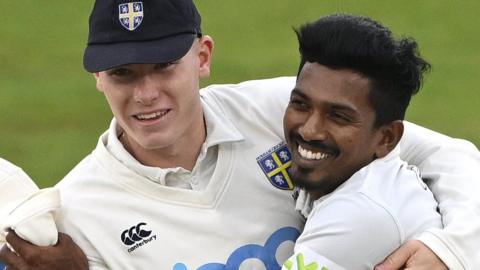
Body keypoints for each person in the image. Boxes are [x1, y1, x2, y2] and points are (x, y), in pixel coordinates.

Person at [0, 0, 479, 269]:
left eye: (165, 66)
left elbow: (452, 156)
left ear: (203, 57)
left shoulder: (289, 111)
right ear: (98, 78)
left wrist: (455, 247)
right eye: (123, 73)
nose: (146, 93)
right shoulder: (77, 217)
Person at [281, 14, 442, 269]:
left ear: (387, 138)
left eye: (338, 117)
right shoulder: (374, 182)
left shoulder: (360, 213)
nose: (310, 131)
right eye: (301, 104)